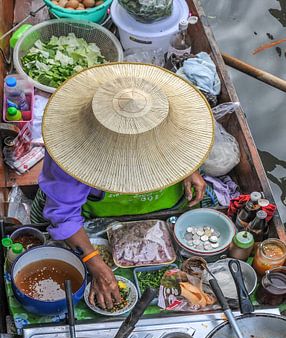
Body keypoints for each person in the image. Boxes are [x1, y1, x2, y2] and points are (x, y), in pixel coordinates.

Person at [32, 63, 214, 310]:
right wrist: (95, 263)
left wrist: (188, 169)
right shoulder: (70, 156)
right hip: (100, 218)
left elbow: (183, 140)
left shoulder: (161, 109)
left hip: (163, 208)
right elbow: (63, 217)